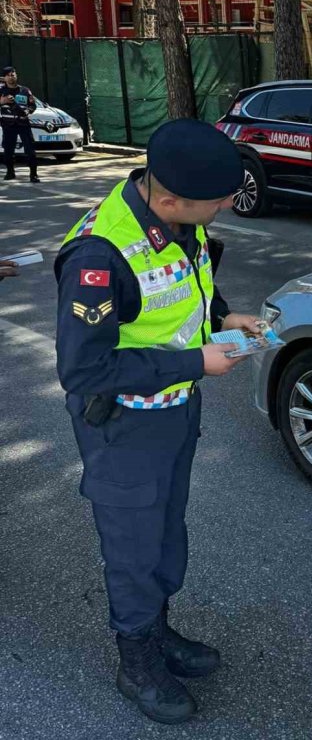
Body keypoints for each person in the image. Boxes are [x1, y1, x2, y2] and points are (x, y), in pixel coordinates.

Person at [55, 118, 263, 725]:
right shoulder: (99, 254)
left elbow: (186, 285)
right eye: (216, 204)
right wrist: (195, 360)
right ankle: (136, 659)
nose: (223, 209)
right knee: (133, 543)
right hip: (122, 425)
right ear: (170, 197)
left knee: (166, 532)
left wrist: (224, 317)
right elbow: (85, 370)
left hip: (174, 408)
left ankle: (159, 629)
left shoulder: (175, 216)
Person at [0, 65, 39, 182]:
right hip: (8, 124)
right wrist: (2, 101)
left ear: (16, 76)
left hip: (23, 124)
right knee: (8, 150)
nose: (11, 77)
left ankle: (34, 174)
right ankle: (10, 172)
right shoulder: (2, 92)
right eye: (8, 76)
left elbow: (33, 105)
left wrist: (28, 111)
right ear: (4, 78)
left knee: (30, 150)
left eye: (13, 75)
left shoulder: (25, 90)